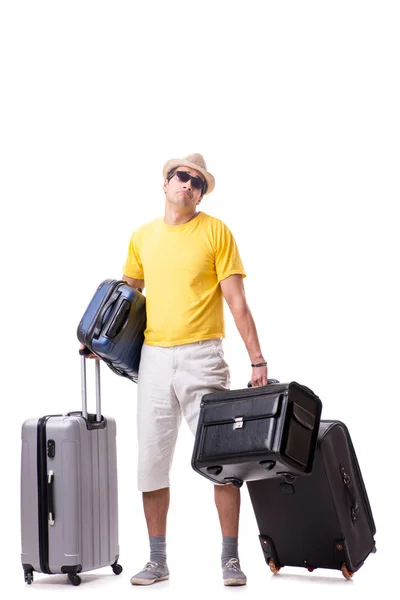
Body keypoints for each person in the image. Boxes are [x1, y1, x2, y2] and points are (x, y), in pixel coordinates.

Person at [123, 153, 268, 586]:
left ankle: (230, 559)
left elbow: (237, 302)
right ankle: (156, 560)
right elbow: (126, 299)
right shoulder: (142, 237)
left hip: (202, 356)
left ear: (201, 193)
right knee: (150, 462)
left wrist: (257, 359)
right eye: (181, 177)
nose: (188, 185)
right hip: (153, 359)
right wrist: (96, 339)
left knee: (221, 460)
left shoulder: (215, 231)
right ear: (165, 183)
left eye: (197, 182)